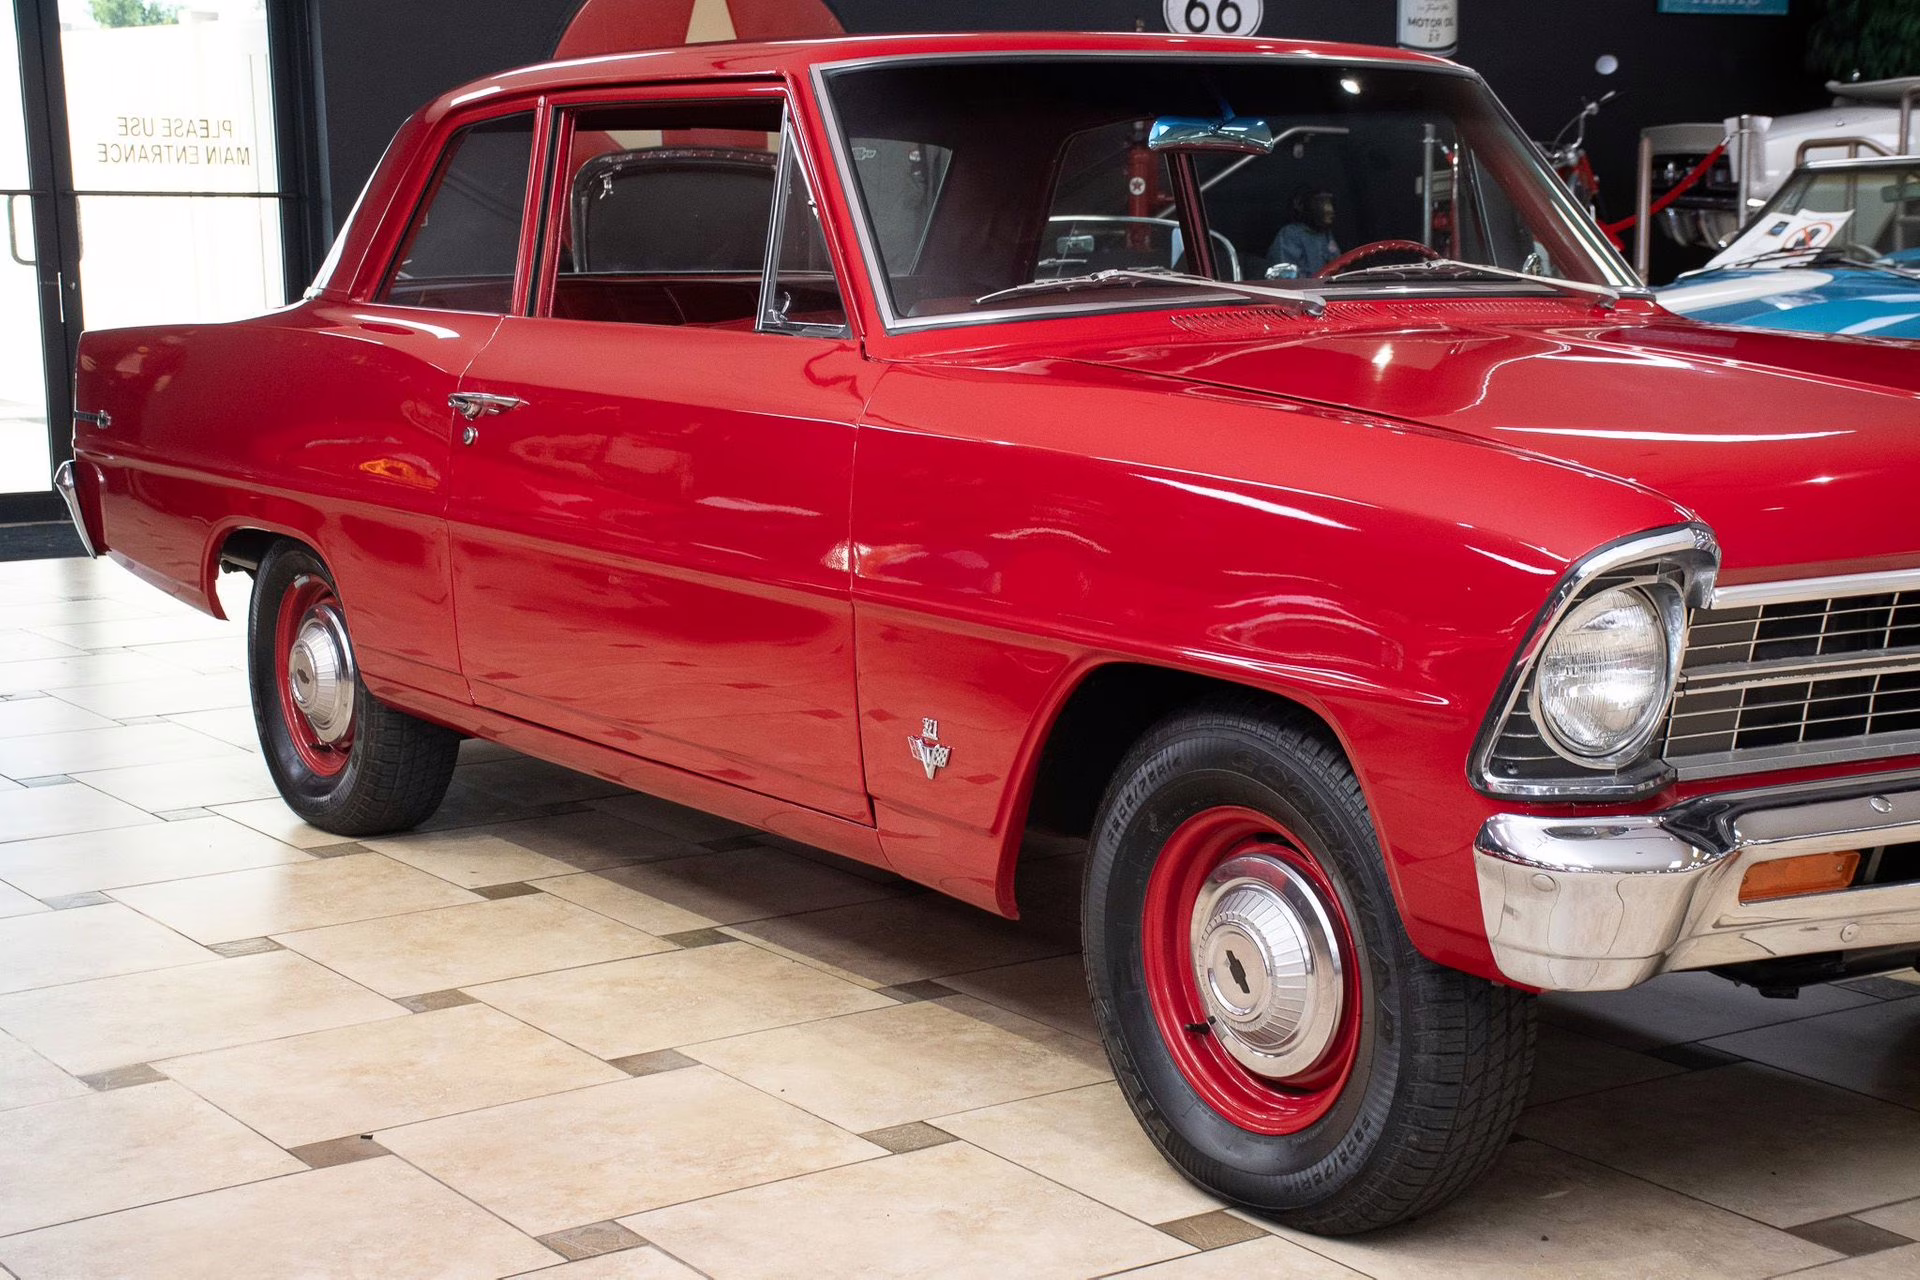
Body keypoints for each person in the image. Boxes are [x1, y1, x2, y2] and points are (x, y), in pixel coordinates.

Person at [1268, 189, 1340, 276]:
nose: (1330, 210)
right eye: (1322, 203)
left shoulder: (1326, 235)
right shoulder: (1291, 234)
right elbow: (1284, 275)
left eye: (1330, 203)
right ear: (1307, 206)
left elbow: (1338, 267)